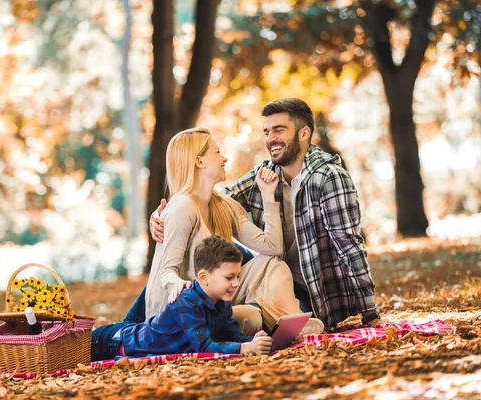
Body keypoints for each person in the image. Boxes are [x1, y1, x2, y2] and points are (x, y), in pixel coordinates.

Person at [150, 98, 382, 331]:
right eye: (267, 132)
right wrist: (162, 217)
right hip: (195, 300)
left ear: (304, 134)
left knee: (270, 268)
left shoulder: (327, 177)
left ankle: (283, 323)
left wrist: (368, 309)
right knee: (253, 309)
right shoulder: (259, 177)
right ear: (199, 160)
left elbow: (346, 244)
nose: (270, 139)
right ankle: (276, 325)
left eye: (279, 130)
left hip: (316, 293)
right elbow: (200, 204)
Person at [139, 126, 323, 335]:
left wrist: (268, 196)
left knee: (273, 264)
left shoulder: (223, 206)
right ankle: (287, 329)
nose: (224, 158)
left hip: (212, 299)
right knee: (249, 316)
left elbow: (272, 247)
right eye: (217, 152)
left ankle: (294, 323)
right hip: (181, 312)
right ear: (199, 161)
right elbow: (166, 271)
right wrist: (177, 285)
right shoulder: (182, 207)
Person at [91, 236, 273, 361]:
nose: (236, 283)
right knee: (68, 354)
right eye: (229, 277)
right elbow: (203, 347)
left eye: (238, 277)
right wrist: (243, 349)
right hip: (111, 342)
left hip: (132, 333)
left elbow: (231, 336)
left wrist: (257, 341)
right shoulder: (186, 302)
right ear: (203, 277)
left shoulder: (221, 302)